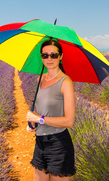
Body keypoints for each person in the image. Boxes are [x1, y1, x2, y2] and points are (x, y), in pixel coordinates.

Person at [26, 39, 76, 181]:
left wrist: (39, 119)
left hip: (58, 145)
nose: (49, 58)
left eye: (53, 55)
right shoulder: (39, 80)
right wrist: (34, 121)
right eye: (45, 55)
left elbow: (69, 121)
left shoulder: (66, 82)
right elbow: (41, 111)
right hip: (40, 143)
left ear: (60, 57)